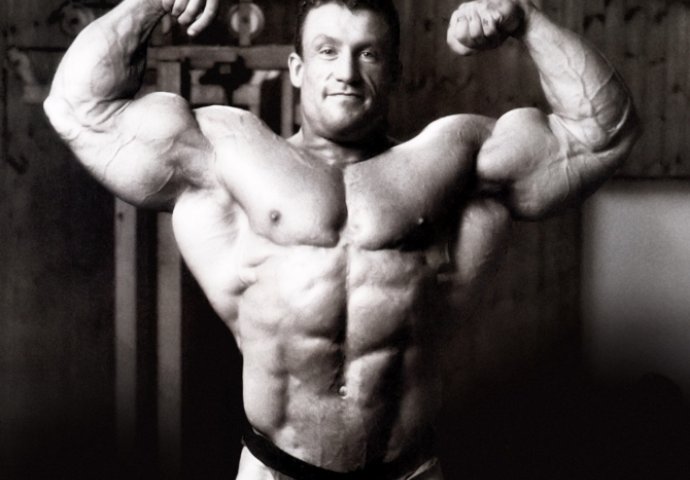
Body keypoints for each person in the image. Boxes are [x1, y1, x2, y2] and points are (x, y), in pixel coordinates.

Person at [44, 0, 639, 478]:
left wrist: (526, 19)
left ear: (395, 70)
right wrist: (148, 4)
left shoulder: (454, 159)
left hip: (408, 469)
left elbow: (603, 134)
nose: (347, 73)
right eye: (327, 51)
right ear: (297, 68)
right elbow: (78, 108)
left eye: (368, 53)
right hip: (275, 470)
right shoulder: (227, 151)